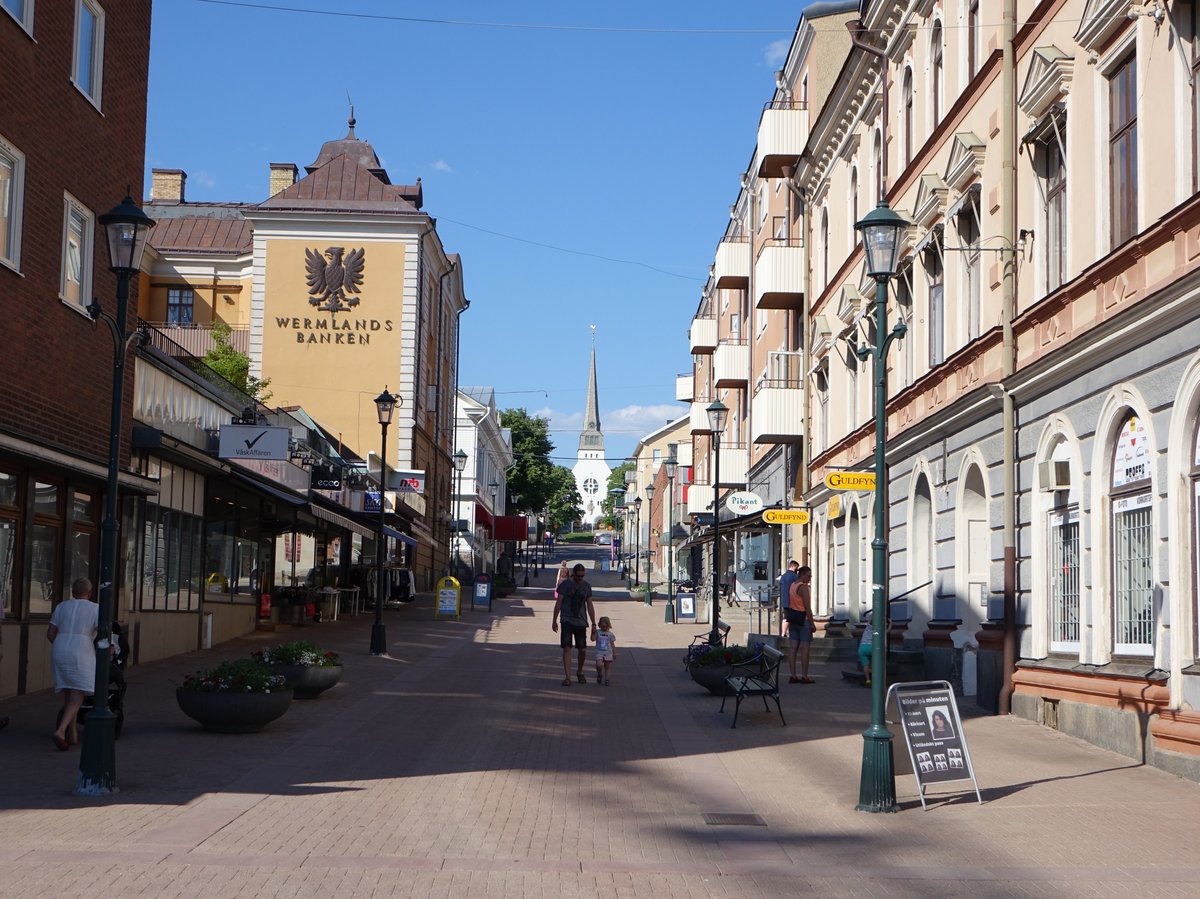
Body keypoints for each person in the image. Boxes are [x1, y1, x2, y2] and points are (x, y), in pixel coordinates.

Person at [48, 577, 99, 751]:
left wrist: (62, 644)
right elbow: (103, 632)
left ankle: (73, 734)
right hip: (81, 650)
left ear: (73, 592)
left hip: (60, 647)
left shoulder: (61, 606)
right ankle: (61, 731)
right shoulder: (95, 608)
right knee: (78, 695)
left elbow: (50, 633)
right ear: (90, 593)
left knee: (68, 692)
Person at [552, 563, 597, 686]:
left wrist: (593, 623)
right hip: (566, 620)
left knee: (582, 649)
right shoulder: (565, 585)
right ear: (574, 574)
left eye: (582, 576)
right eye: (578, 576)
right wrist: (554, 619)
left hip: (581, 621)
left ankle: (580, 671)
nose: (580, 578)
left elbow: (590, 605)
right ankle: (568, 677)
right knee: (567, 648)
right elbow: (559, 602)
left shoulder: (586, 586)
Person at [785, 565, 815, 684]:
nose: (810, 578)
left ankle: (793, 675)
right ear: (802, 575)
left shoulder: (793, 585)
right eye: (809, 575)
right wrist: (812, 623)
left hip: (793, 618)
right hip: (803, 619)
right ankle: (804, 676)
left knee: (793, 648)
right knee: (805, 648)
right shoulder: (803, 587)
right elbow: (807, 607)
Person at [593, 616, 617, 686]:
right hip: (599, 652)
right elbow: (593, 639)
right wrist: (593, 632)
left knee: (607, 666)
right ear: (599, 625)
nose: (604, 628)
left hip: (608, 652)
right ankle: (599, 674)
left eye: (605, 627)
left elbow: (612, 644)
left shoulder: (610, 634)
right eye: (602, 627)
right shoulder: (598, 632)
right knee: (599, 665)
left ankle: (607, 679)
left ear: (608, 626)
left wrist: (614, 652)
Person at [858, 609, 875, 687]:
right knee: (875, 662)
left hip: (862, 647)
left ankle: (868, 680)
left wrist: (873, 612)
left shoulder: (868, 627)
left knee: (865, 665)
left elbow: (870, 619)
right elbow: (887, 631)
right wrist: (890, 623)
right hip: (872, 647)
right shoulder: (878, 630)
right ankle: (875, 678)